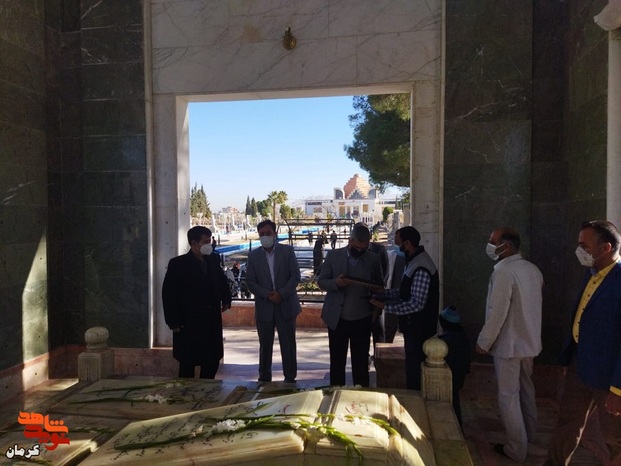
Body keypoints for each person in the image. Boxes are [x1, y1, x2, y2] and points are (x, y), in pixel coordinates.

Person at [545, 220, 621, 466]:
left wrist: (617, 389)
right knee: (568, 423)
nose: (579, 251)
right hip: (580, 366)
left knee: (614, 437)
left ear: (605, 248)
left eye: (584, 246)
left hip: (608, 377)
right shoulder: (592, 274)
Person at [475, 227, 543, 463]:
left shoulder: (504, 273)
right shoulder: (532, 270)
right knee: (526, 389)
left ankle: (515, 448)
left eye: (493, 242)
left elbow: (497, 312)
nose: (490, 245)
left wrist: (484, 341)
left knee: (508, 397)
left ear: (508, 246)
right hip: (529, 343)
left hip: (509, 345)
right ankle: (529, 435)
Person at [370, 226, 439, 390]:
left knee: (415, 372)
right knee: (411, 368)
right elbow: (405, 293)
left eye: (398, 243)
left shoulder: (421, 266)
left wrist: (386, 306)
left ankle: (415, 401)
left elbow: (416, 303)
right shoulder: (413, 261)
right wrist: (384, 293)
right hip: (412, 328)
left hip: (419, 329)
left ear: (407, 244)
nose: (396, 247)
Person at [318, 223, 384, 387]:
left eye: (363, 249)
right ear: (350, 240)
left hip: (362, 318)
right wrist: (336, 283)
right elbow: (321, 281)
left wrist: (375, 310)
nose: (359, 251)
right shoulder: (333, 256)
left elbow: (379, 287)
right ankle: (336, 393)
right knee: (337, 362)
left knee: (360, 363)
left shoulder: (373, 259)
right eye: (356, 248)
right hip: (337, 319)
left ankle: (360, 395)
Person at [162, 226, 232, 379]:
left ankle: (208, 391)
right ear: (194, 243)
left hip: (211, 321)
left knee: (211, 363)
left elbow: (221, 281)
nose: (209, 244)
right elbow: (169, 294)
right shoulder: (178, 264)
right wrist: (173, 321)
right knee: (187, 365)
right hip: (189, 323)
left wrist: (226, 298)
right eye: (205, 241)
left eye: (210, 240)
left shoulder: (213, 259)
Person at [246, 220, 301, 383]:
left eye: (268, 233)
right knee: (265, 346)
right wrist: (267, 294)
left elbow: (295, 277)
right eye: (261, 234)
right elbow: (250, 281)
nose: (265, 236)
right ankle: (264, 378)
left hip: (286, 306)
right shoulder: (253, 256)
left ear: (275, 234)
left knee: (288, 345)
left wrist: (281, 294)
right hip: (265, 307)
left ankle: (290, 378)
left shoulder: (287, 251)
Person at [438, 305, 471, 429]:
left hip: (452, 375)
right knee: (454, 399)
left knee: (452, 401)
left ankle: (456, 427)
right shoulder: (462, 335)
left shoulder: (448, 340)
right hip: (460, 373)